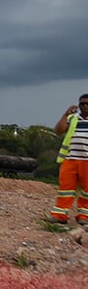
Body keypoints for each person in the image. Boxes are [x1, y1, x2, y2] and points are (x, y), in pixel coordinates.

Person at [49, 93, 88, 225]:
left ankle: (84, 216)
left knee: (87, 190)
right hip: (70, 159)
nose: (85, 106)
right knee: (65, 189)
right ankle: (60, 214)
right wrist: (66, 114)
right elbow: (59, 130)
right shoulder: (73, 119)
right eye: (82, 104)